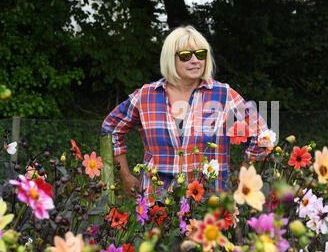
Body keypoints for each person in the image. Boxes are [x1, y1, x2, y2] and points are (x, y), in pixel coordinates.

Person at [102, 25, 272, 204]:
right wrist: (126, 176)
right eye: (185, 56)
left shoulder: (223, 95)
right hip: (157, 203)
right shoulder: (146, 96)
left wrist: (242, 179)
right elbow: (111, 128)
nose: (195, 60)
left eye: (200, 54)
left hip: (209, 202)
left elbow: (262, 134)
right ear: (170, 59)